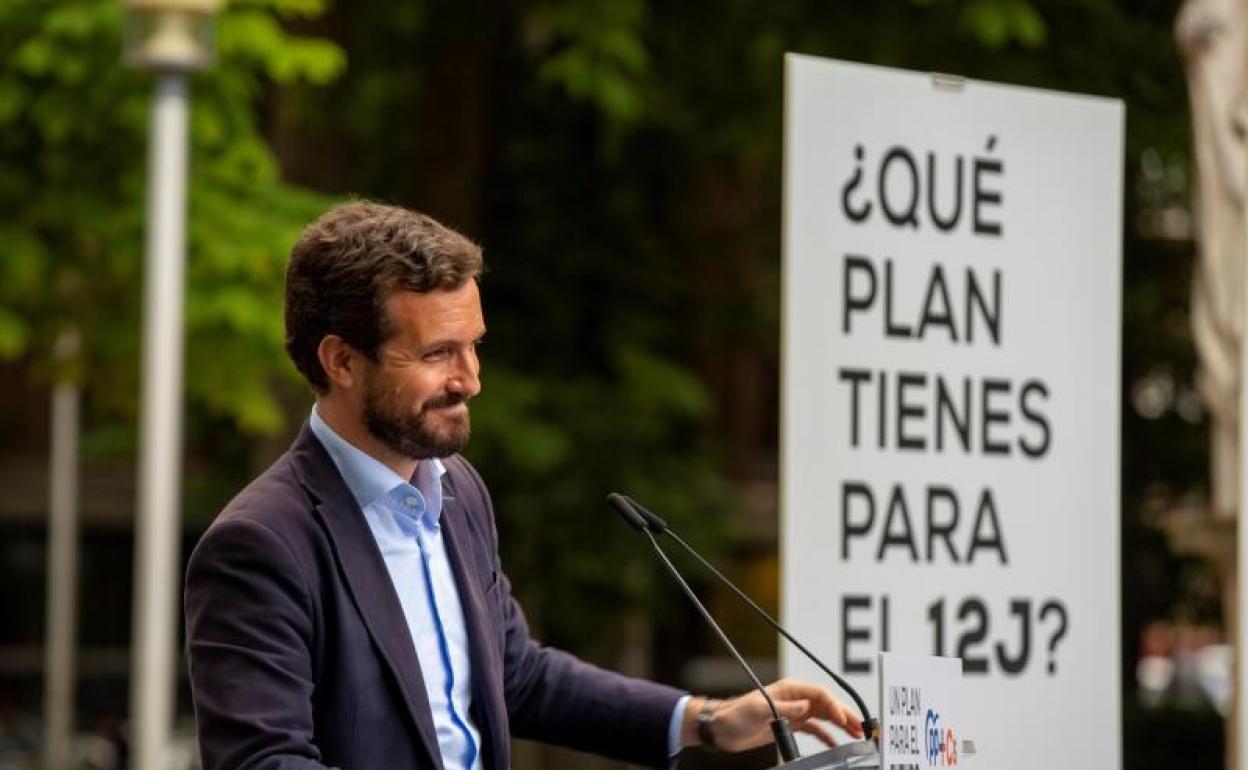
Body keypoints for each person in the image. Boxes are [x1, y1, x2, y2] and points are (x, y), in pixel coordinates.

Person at [184, 201, 863, 770]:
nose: (470, 378)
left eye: (474, 345)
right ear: (340, 360)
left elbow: (516, 674)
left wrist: (706, 720)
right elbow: (264, 763)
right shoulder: (261, 545)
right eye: (437, 353)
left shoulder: (459, 493)